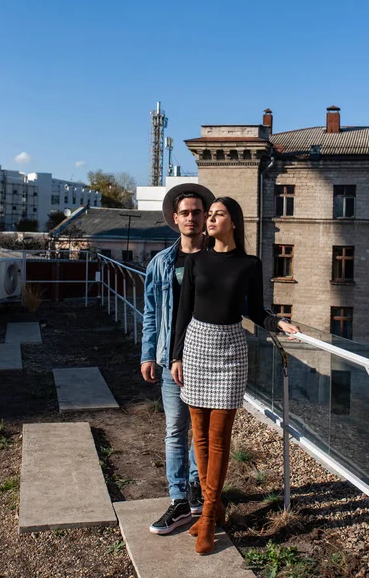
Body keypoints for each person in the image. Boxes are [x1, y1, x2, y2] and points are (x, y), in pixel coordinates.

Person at [171, 196, 299, 555]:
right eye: (208, 215)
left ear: (234, 222)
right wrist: (176, 356)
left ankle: (209, 517)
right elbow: (183, 311)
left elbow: (255, 310)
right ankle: (215, 508)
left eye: (217, 214)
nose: (209, 219)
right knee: (199, 438)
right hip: (196, 345)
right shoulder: (195, 261)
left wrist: (277, 323)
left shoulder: (249, 264)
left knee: (219, 438)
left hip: (230, 349)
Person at [140, 183, 215, 535]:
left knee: (203, 432)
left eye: (197, 212)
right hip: (170, 362)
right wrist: (147, 355)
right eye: (184, 212)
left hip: (209, 361)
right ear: (175, 218)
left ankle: (196, 488)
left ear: (205, 217)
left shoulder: (218, 259)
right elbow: (151, 314)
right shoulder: (161, 264)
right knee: (175, 430)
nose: (191, 217)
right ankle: (179, 499)